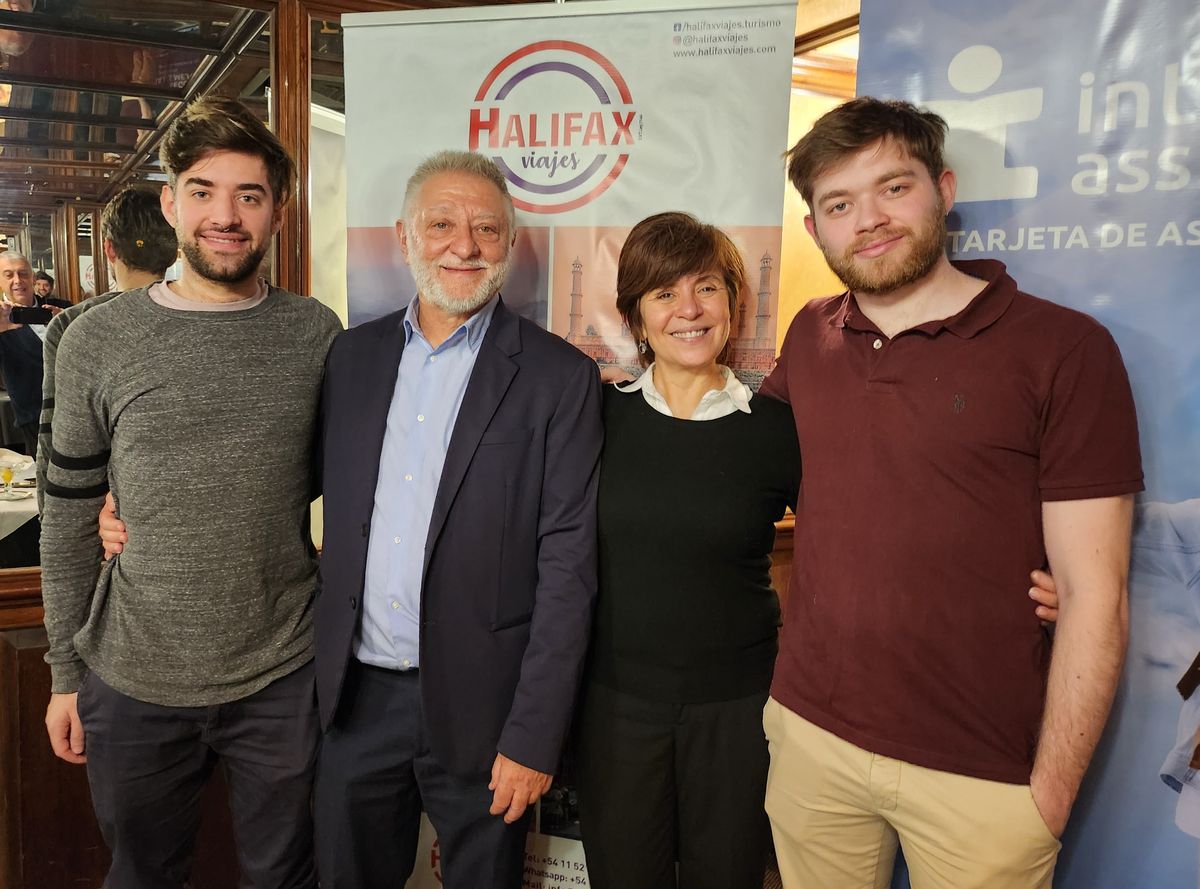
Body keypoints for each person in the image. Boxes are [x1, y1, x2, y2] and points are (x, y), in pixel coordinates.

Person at [760, 97, 1142, 889]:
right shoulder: (808, 334)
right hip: (811, 739)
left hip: (983, 774)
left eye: (893, 188)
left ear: (943, 188)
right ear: (814, 229)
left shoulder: (1064, 349)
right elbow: (742, 477)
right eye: (839, 204)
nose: (869, 220)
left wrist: (1049, 794)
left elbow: (1094, 594)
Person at [40, 95, 341, 889]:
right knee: (142, 875)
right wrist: (64, 674)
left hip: (283, 674)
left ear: (278, 211)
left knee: (286, 877)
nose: (226, 216)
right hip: (131, 676)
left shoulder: (315, 332)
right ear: (172, 203)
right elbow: (66, 519)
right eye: (204, 191)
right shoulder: (96, 337)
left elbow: (334, 478)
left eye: (250, 195)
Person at [312, 150, 602, 889]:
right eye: (441, 224)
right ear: (404, 237)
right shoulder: (350, 358)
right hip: (355, 702)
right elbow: (289, 482)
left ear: (511, 243)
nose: (464, 246)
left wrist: (534, 735)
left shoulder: (559, 377)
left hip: (490, 713)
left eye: (486, 229)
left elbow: (569, 569)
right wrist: (126, 506)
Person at [573, 211, 799, 889]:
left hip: (738, 710)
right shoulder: (596, 418)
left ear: (733, 304)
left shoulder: (778, 429)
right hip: (615, 707)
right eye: (664, 293)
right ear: (637, 318)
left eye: (706, 288)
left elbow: (853, 543)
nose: (689, 310)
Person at [36, 185, 179, 504]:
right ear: (173, 252)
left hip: (97, 505)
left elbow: (54, 436)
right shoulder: (199, 316)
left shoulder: (71, 323)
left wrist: (49, 513)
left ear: (108, 249)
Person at [0, 251, 47, 454]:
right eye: (9, 275)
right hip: (33, 416)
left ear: (33, 278)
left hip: (76, 410)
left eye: (23, 273)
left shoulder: (59, 308)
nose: (17, 280)